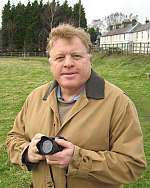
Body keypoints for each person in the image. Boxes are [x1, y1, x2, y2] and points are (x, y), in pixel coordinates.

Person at [6, 24, 146, 188]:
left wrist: (77, 159)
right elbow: (13, 139)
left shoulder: (118, 103)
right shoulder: (36, 97)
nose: (68, 64)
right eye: (59, 58)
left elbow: (133, 164)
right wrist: (27, 151)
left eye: (76, 56)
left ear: (90, 59)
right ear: (50, 63)